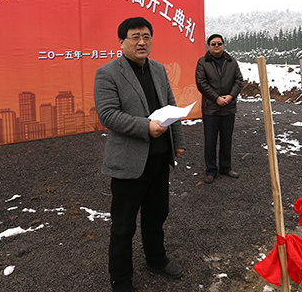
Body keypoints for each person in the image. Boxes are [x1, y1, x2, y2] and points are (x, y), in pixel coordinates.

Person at [94, 17, 186, 292]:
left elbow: (171, 106)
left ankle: (156, 259)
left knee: (156, 216)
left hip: (159, 158)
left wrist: (177, 140)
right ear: (121, 42)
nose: (142, 42)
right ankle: (121, 280)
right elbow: (108, 114)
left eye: (146, 36)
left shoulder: (158, 69)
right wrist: (145, 127)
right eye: (135, 36)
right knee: (123, 225)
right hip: (128, 163)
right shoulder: (108, 72)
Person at [195, 33, 244, 184]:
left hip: (229, 107)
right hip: (211, 108)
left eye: (219, 43)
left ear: (223, 45)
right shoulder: (203, 62)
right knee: (210, 141)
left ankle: (225, 167)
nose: (217, 46)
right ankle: (211, 170)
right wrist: (216, 98)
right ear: (209, 46)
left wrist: (230, 96)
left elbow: (239, 80)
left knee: (226, 140)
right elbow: (201, 83)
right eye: (213, 44)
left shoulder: (231, 61)